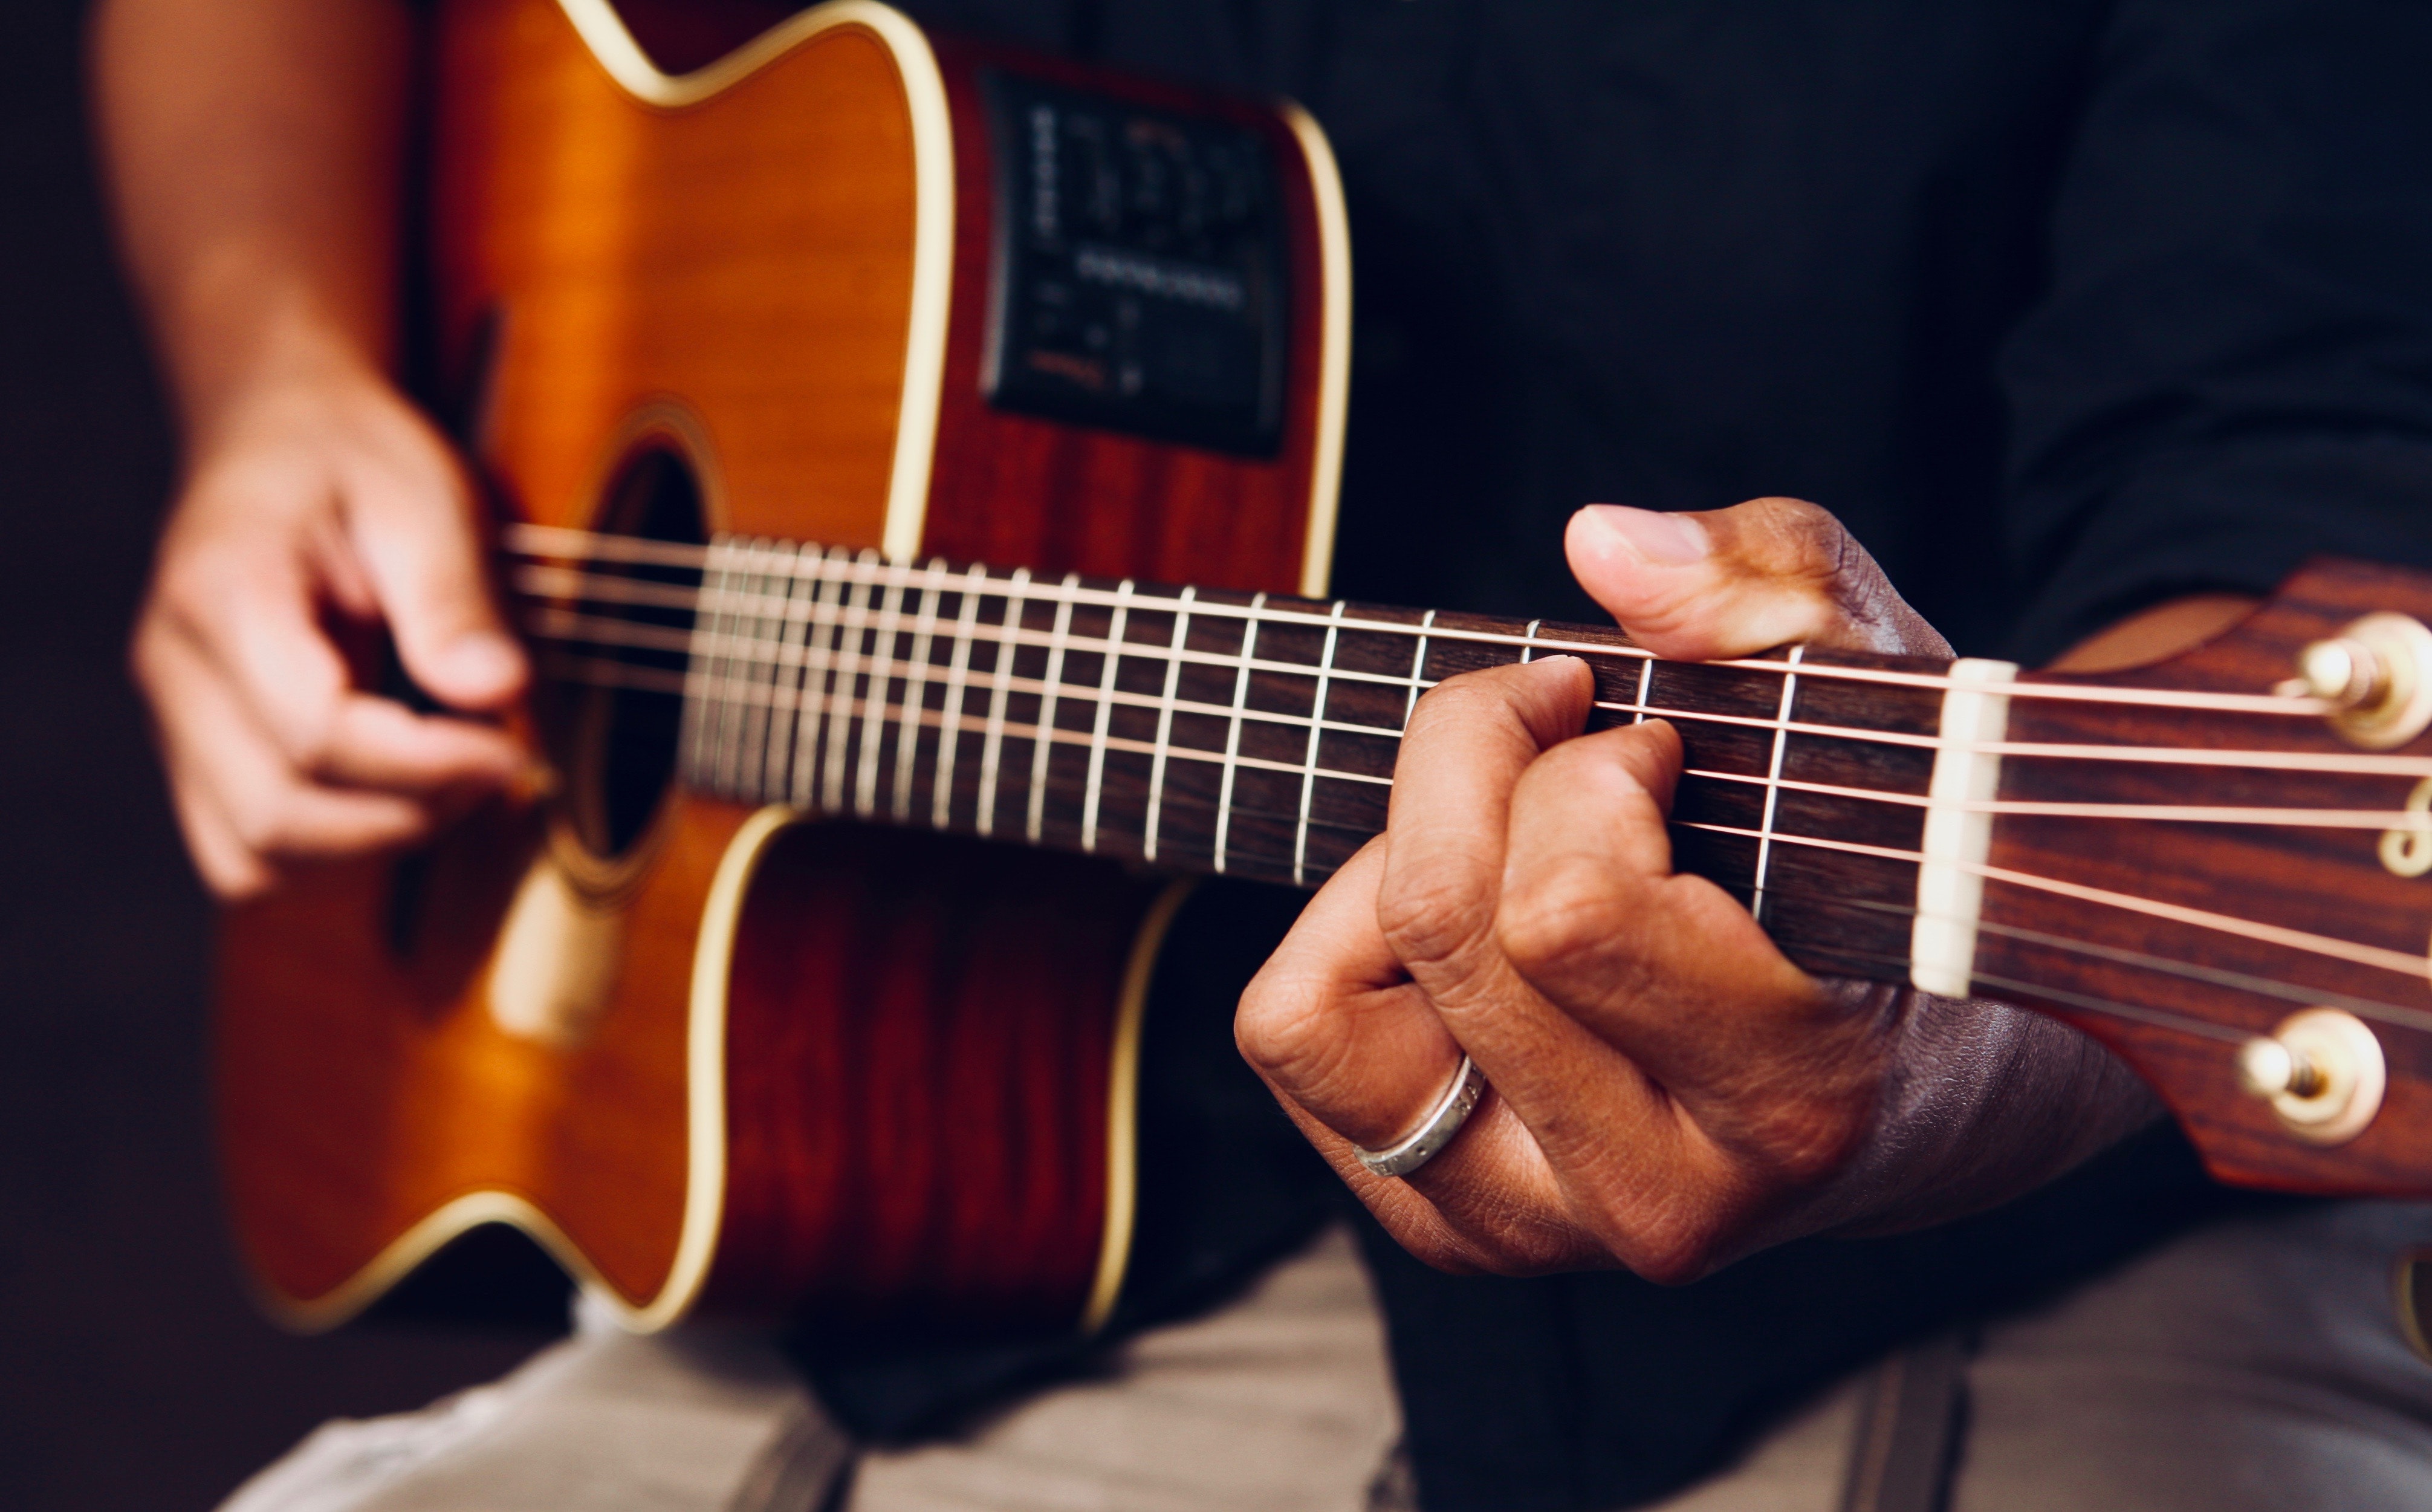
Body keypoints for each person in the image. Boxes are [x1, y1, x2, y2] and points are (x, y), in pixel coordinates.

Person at [94, 0, 2432, 1508]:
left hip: (1988, 1269)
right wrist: (277, 371)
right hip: (877, 1250)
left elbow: (2305, 529)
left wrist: (1940, 1063)